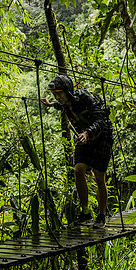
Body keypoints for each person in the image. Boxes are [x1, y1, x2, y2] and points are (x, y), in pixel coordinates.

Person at [41, 74, 113, 228]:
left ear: (67, 92)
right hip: (84, 137)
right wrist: (50, 104)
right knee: (78, 170)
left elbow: (100, 121)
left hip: (102, 137)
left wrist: (88, 133)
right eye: (55, 94)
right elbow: (61, 105)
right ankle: (86, 212)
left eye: (59, 94)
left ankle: (101, 216)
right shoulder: (66, 102)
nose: (58, 97)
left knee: (99, 177)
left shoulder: (86, 100)